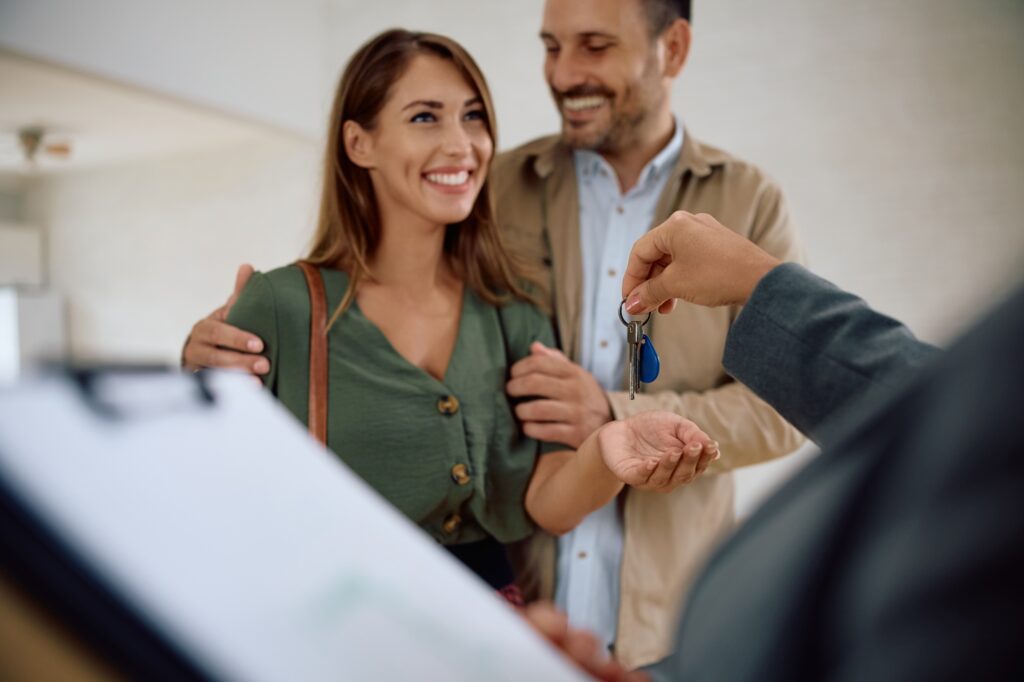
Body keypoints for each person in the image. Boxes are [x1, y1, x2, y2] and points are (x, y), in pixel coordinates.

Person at [183, 0, 805, 666]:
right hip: (369, 636)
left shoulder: (739, 206)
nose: (563, 74)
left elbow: (786, 404)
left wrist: (615, 428)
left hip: (605, 626)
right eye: (550, 47)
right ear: (357, 141)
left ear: (674, 49)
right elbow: (199, 494)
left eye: (593, 45)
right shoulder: (489, 189)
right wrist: (192, 370)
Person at [220, 30, 719, 605]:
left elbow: (546, 501)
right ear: (359, 144)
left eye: (473, 116)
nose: (462, 144)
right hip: (337, 618)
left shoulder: (513, 305)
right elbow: (218, 490)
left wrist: (610, 449)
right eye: (425, 118)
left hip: (489, 624)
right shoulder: (280, 305)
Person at [535, 210, 1023, 679]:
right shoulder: (516, 200)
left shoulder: (751, 196)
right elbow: (932, 409)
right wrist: (761, 284)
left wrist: (614, 411)